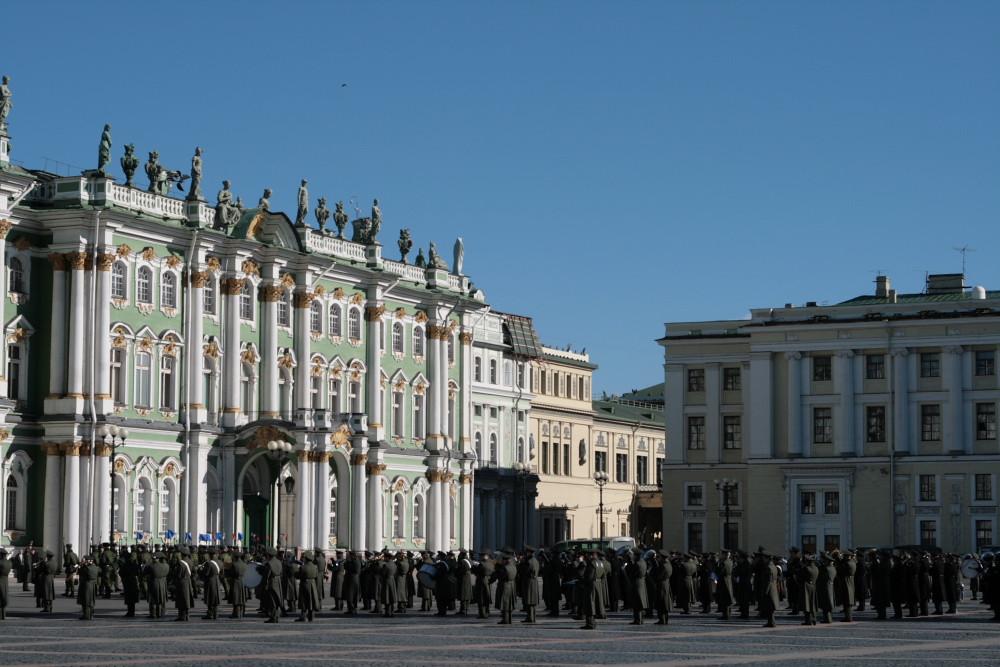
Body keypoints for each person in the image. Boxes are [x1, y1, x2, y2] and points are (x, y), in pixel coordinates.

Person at [296, 552, 321, 622]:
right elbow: (316, 575)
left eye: (304, 558)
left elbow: (298, 575)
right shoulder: (315, 567)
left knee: (304, 600)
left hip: (304, 584)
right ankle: (311, 616)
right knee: (311, 600)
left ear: (306, 559)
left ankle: (303, 616)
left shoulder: (303, 567)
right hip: (312, 584)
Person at [493, 552, 517, 625]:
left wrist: (497, 569)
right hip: (512, 586)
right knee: (510, 604)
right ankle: (509, 619)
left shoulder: (504, 568)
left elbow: (501, 576)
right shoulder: (513, 566)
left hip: (505, 586)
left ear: (505, 560)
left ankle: (505, 619)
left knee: (505, 604)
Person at [77, 555, 100, 621]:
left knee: (86, 600)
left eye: (85, 560)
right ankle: (91, 614)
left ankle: (86, 615)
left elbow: (79, 572)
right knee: (91, 600)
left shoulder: (86, 568)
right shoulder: (95, 567)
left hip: (86, 585)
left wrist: (81, 565)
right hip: (92, 585)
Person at [520, 546, 539, 623]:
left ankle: (530, 618)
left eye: (527, 552)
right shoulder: (535, 560)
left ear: (529, 553)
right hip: (533, 582)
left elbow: (525, 571)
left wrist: (522, 564)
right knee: (532, 601)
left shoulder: (529, 562)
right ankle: (531, 617)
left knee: (530, 600)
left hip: (529, 582)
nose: (526, 554)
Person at [473, 552, 494, 618]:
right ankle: (487, 612)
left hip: (481, 582)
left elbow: (477, 571)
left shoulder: (481, 564)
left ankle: (482, 613)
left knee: (481, 598)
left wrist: (474, 568)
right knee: (487, 597)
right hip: (488, 581)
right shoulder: (491, 563)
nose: (480, 557)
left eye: (481, 556)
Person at [0, 548, 11, 620]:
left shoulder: (0, 562)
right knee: (4, 597)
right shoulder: (9, 563)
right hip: (5, 581)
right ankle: (3, 615)